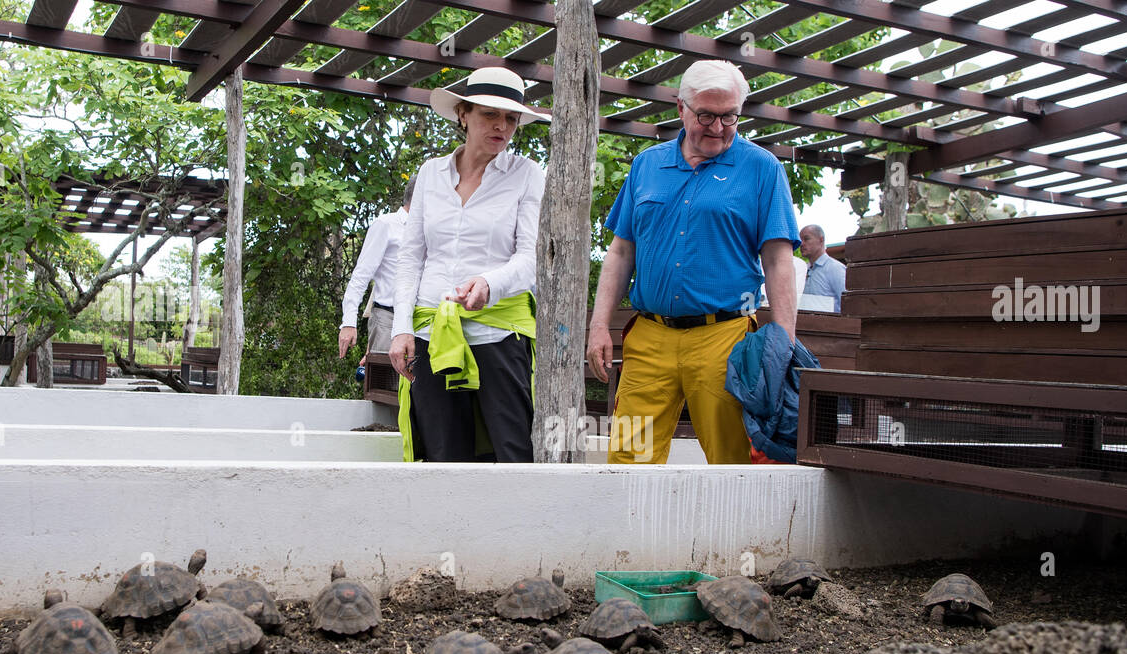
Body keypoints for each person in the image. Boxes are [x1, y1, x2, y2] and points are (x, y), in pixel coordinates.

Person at [586, 60, 800, 465]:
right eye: (706, 115)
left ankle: (741, 532)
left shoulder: (763, 168)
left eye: (729, 116)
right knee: (629, 459)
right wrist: (599, 325)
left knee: (733, 459)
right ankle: (631, 530)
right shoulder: (647, 164)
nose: (718, 128)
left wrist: (783, 345)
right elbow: (621, 252)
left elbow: (777, 260)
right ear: (680, 107)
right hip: (649, 337)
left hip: (725, 338)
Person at [388, 67, 549, 462]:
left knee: (512, 449)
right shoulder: (430, 173)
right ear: (463, 114)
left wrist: (489, 283)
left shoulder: (528, 175)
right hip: (430, 331)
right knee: (442, 452)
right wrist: (400, 328)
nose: (502, 127)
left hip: (499, 332)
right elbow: (411, 256)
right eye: (489, 114)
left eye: (511, 118)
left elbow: (533, 257)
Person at [338, 177, 416, 363]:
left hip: (419, 321)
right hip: (387, 318)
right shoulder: (386, 224)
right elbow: (361, 275)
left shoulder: (428, 229)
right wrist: (349, 322)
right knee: (385, 388)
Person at [799, 224, 847, 312]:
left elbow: (848, 303)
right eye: (800, 240)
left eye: (806, 239)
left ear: (821, 240)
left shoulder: (835, 268)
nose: (801, 244)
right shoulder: (804, 270)